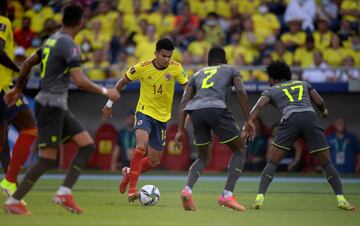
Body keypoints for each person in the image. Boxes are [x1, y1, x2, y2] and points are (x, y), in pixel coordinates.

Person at [3, 3, 119, 215]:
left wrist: (19, 88)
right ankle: (14, 200)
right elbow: (80, 80)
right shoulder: (69, 44)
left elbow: (28, 62)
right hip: (51, 106)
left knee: (87, 145)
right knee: (48, 158)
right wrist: (106, 91)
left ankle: (64, 192)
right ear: (81, 22)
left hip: (56, 105)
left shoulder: (52, 40)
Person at [248, 60, 355, 211]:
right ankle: (341, 199)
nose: (267, 81)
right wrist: (323, 111)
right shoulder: (303, 83)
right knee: (326, 163)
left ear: (273, 78)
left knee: (272, 162)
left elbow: (258, 107)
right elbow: (319, 100)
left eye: (268, 78)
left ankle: (259, 198)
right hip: (310, 118)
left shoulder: (271, 90)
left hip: (290, 119)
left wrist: (248, 124)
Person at [102, 37, 188, 202]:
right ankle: (132, 189)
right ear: (155, 53)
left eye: (169, 56)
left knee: (155, 160)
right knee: (140, 148)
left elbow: (188, 89)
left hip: (162, 118)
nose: (167, 59)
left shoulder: (176, 68)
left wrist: (191, 109)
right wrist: (109, 102)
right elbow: (121, 83)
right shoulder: (142, 67)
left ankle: (128, 173)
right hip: (144, 113)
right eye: (164, 56)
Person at [175, 47, 255, 211]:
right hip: (217, 109)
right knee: (239, 150)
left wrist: (180, 130)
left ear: (208, 61)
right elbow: (240, 91)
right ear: (224, 61)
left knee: (202, 157)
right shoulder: (231, 69)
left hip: (196, 112)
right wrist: (248, 120)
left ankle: (187, 190)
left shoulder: (197, 74)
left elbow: (184, 102)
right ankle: (227, 195)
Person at [0, 0, 38, 199]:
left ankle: (9, 182)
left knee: (2, 138)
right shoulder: (2, 21)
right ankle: (9, 181)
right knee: (30, 128)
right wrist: (19, 69)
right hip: (3, 88)